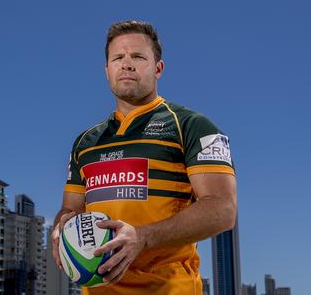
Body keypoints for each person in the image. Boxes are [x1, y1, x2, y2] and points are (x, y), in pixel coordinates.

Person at [52, 20, 237, 294]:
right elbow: (71, 211)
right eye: (118, 58)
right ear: (107, 71)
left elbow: (223, 210)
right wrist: (60, 229)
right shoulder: (85, 143)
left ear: (158, 68)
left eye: (138, 56)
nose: (127, 64)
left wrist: (143, 237)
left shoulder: (191, 126)